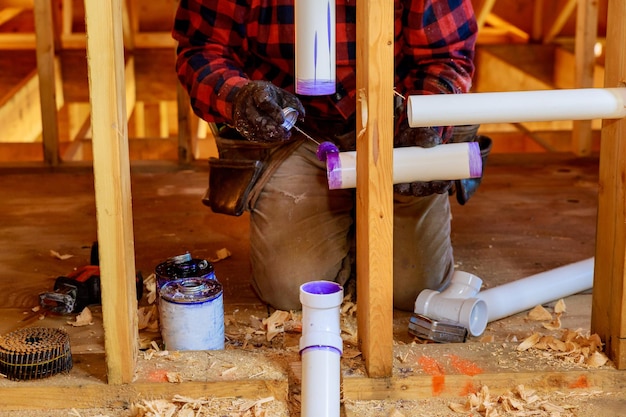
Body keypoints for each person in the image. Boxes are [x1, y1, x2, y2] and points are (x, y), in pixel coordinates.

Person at [173, 0, 489, 312]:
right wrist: (238, 96)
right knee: (293, 288)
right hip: (295, 126)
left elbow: (447, 55)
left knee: (413, 290)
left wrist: (424, 122)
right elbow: (202, 49)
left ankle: (358, 223)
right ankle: (341, 227)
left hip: (395, 124)